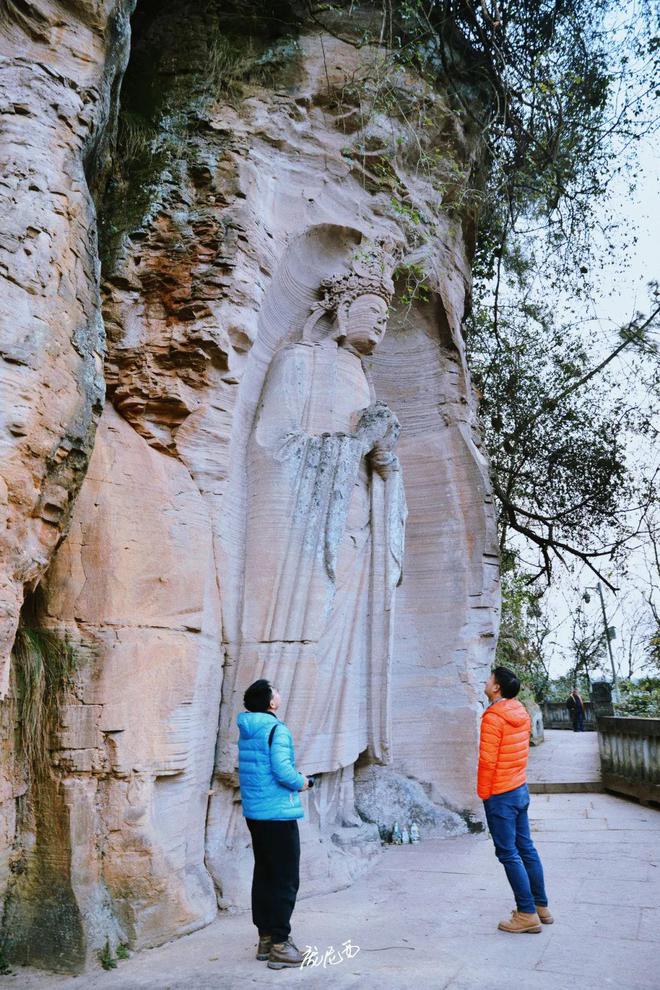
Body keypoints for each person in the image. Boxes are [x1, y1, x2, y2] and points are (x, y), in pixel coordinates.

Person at [237, 678, 312, 969]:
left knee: (265, 874)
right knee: (285, 878)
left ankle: (266, 938)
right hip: (278, 814)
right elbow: (283, 771)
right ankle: (281, 943)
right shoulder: (276, 729)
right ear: (271, 702)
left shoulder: (248, 729)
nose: (279, 693)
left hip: (256, 813)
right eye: (275, 691)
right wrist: (303, 782)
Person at [477, 666, 554, 934]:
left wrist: (484, 794)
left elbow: (487, 761)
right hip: (519, 788)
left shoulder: (493, 718)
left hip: (500, 793)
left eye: (489, 679)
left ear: (496, 687)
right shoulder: (519, 711)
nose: (486, 682)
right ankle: (540, 906)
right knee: (527, 848)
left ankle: (526, 914)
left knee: (508, 853)